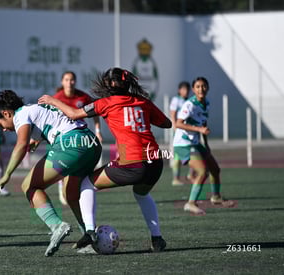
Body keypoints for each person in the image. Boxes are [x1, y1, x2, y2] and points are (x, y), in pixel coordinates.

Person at [39, 67, 171, 253]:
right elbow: (167, 123)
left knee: (87, 184)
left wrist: (52, 100)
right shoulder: (143, 101)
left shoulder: (106, 103)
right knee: (141, 194)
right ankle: (157, 239)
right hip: (155, 162)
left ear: (109, 84)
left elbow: (74, 114)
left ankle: (90, 232)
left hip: (133, 163)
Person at [0, 90, 102, 257]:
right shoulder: (33, 109)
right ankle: (89, 236)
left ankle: (57, 226)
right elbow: (55, 122)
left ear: (6, 113)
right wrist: (39, 139)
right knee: (70, 193)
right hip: (91, 144)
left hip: (71, 145)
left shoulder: (20, 114)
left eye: (0, 125)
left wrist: (6, 175)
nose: (4, 130)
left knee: (29, 185)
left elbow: (21, 145)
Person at [173, 77, 234, 215]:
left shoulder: (206, 103)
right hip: (183, 144)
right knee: (202, 172)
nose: (201, 89)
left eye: (204, 86)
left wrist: (206, 144)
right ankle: (190, 203)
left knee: (215, 169)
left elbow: (203, 124)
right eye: (198, 86)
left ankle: (216, 197)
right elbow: (178, 123)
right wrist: (199, 130)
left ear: (208, 88)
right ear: (194, 89)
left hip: (195, 142)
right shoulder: (190, 104)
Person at [53, 71, 103, 206]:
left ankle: (79, 191)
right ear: (62, 82)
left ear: (75, 81)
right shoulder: (57, 98)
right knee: (63, 166)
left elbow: (95, 113)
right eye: (66, 79)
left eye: (72, 80)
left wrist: (98, 131)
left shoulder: (83, 97)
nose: (69, 82)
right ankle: (61, 185)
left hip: (81, 137)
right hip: (63, 137)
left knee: (79, 168)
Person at [169, 81, 193, 186]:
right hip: (179, 131)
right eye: (184, 89)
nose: (186, 91)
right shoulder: (176, 100)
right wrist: (175, 126)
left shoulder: (189, 100)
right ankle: (176, 178)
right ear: (179, 90)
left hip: (188, 131)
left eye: (187, 89)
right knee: (178, 156)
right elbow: (173, 114)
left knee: (193, 153)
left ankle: (190, 175)